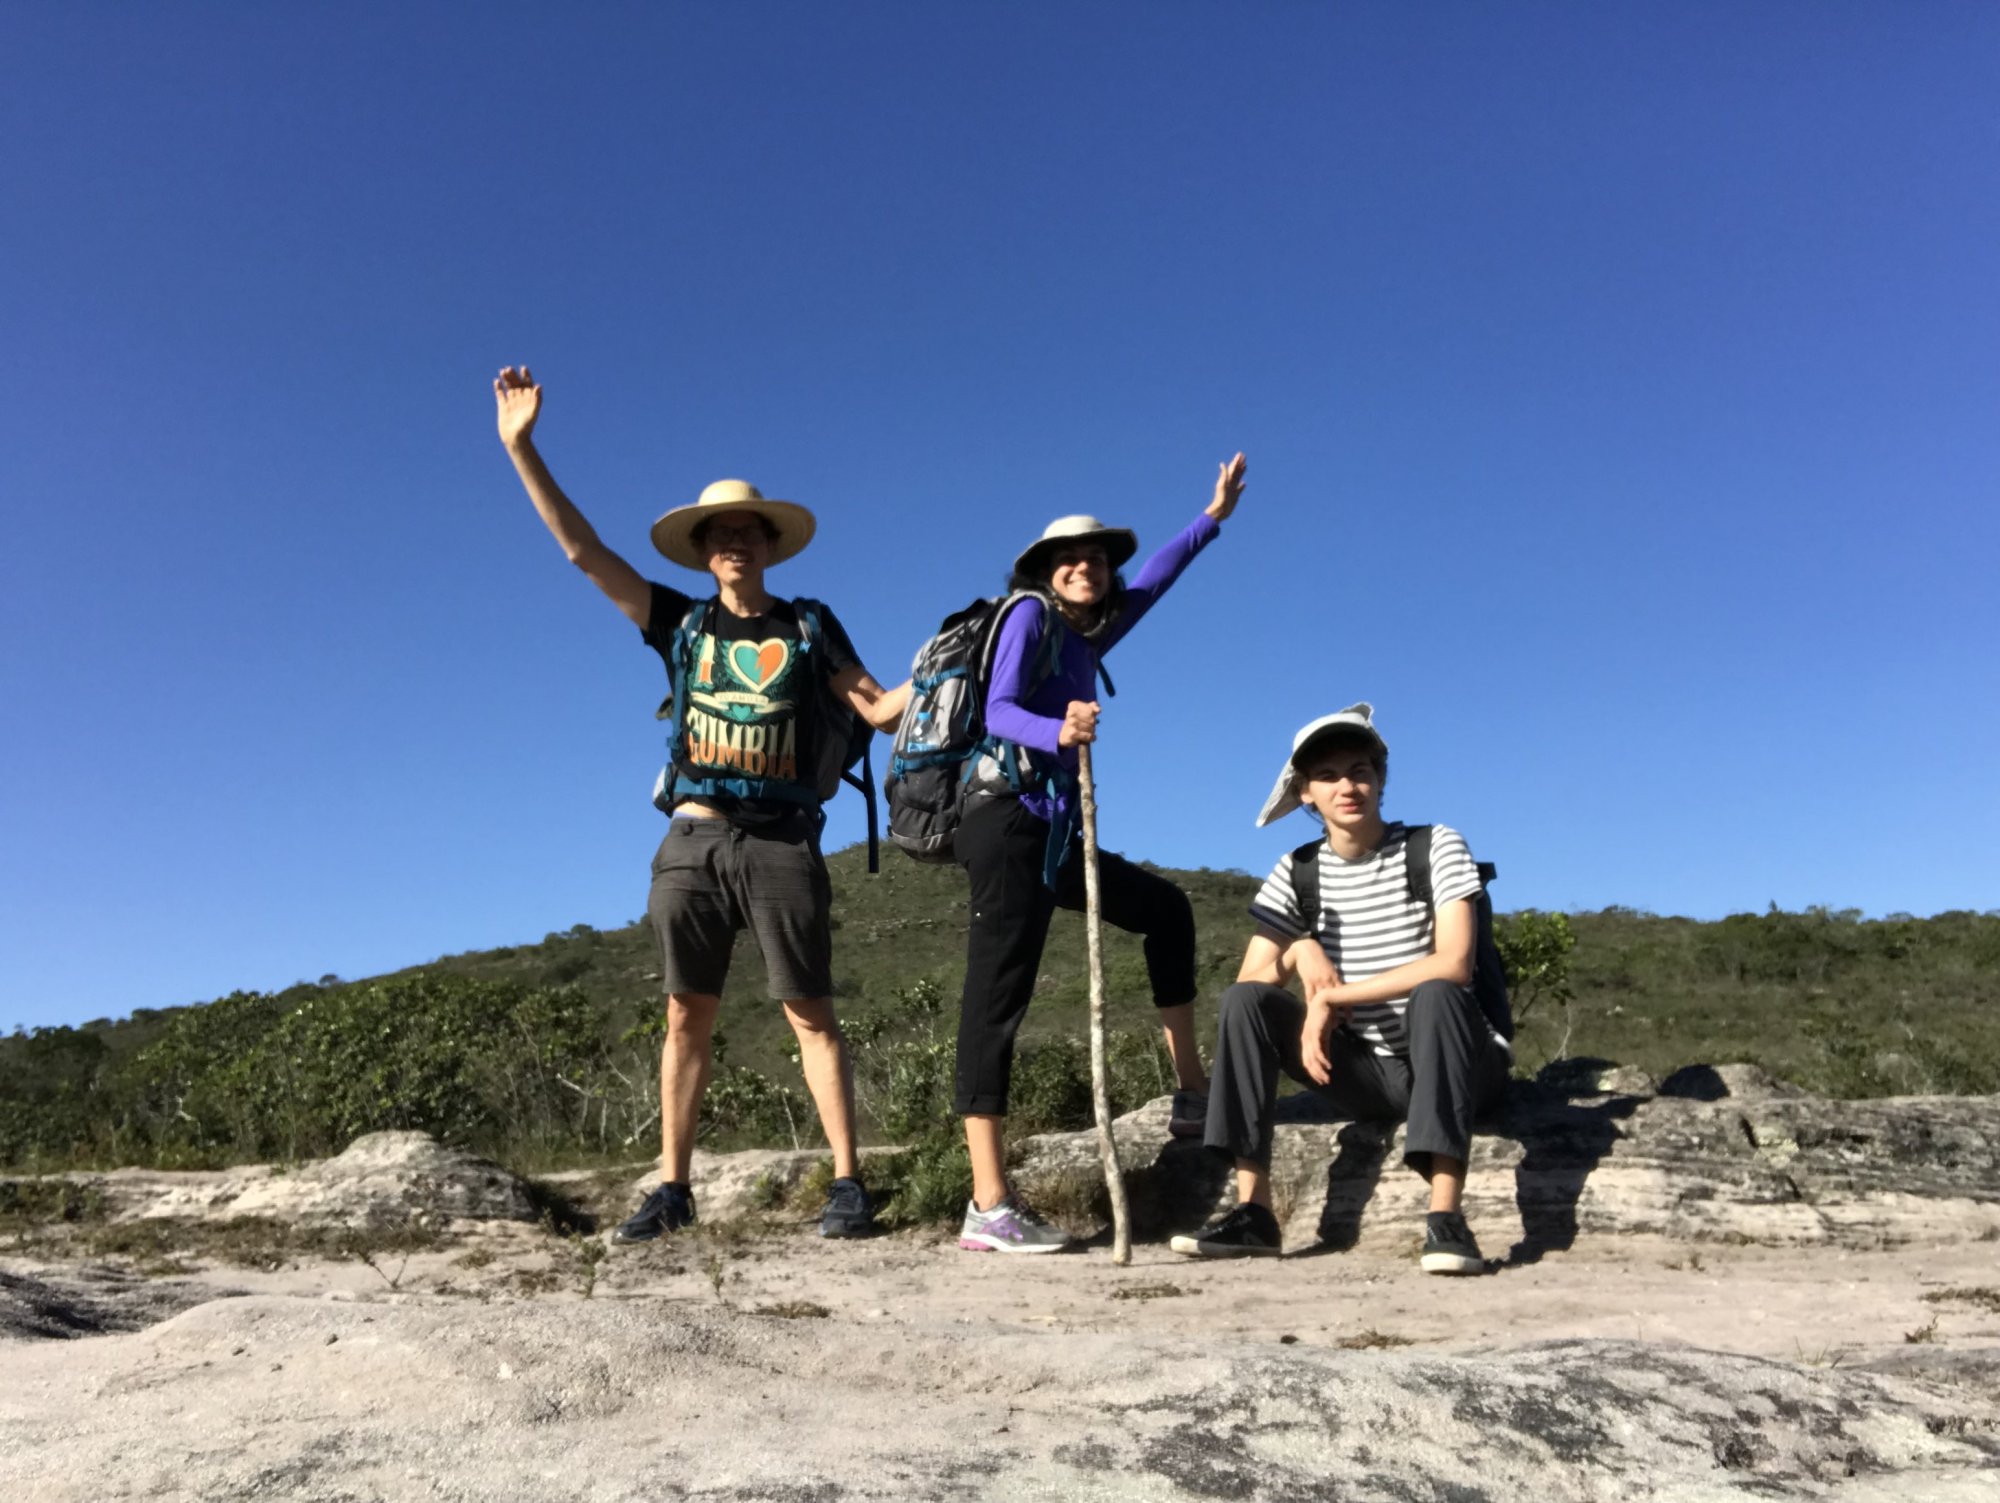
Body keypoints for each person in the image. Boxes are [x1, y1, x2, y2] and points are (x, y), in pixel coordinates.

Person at [493, 365, 909, 1243]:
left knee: (810, 1011)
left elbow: (876, 707)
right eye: (721, 533)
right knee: (687, 1012)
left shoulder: (809, 624)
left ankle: (847, 1183)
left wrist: (961, 666)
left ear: (769, 544)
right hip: (694, 837)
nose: (735, 542)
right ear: (704, 550)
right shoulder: (681, 624)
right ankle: (673, 1188)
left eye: (748, 531)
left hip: (782, 839)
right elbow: (584, 553)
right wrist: (522, 449)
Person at [953, 453, 1249, 1254]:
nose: (1085, 566)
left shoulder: (1090, 632)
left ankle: (1192, 1092)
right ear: (1046, 571)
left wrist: (1211, 518)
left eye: (1095, 557)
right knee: (996, 998)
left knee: (1167, 911)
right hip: (1007, 821)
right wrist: (1057, 729)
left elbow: (1155, 579)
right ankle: (988, 1203)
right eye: (1069, 558)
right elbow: (997, 709)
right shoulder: (1028, 617)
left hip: (1055, 834)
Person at [1169, 704, 1508, 1273]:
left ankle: (1446, 1218)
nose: (1347, 787)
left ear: (1380, 778)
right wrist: (1299, 950)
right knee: (1244, 1002)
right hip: (1369, 1074)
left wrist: (1331, 997)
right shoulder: (1297, 870)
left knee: (1436, 993)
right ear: (1305, 792)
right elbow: (1251, 982)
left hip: (1464, 1065)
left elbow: (1454, 964)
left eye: (1359, 771)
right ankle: (1254, 1212)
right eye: (1327, 776)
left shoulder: (1435, 845)